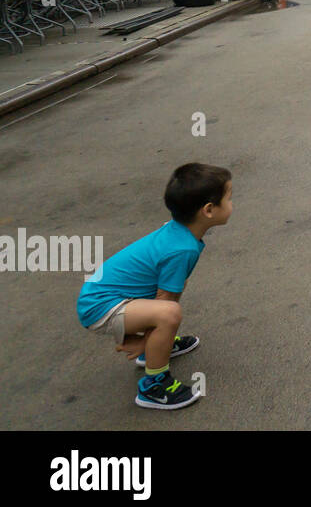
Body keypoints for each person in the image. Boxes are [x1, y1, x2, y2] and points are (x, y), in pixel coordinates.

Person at [76, 163, 232, 410]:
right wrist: (142, 339)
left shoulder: (177, 233)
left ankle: (158, 345)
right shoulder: (182, 248)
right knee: (169, 313)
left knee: (169, 304)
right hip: (100, 305)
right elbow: (164, 303)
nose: (232, 204)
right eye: (229, 198)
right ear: (209, 210)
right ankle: (154, 385)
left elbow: (171, 290)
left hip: (105, 297)